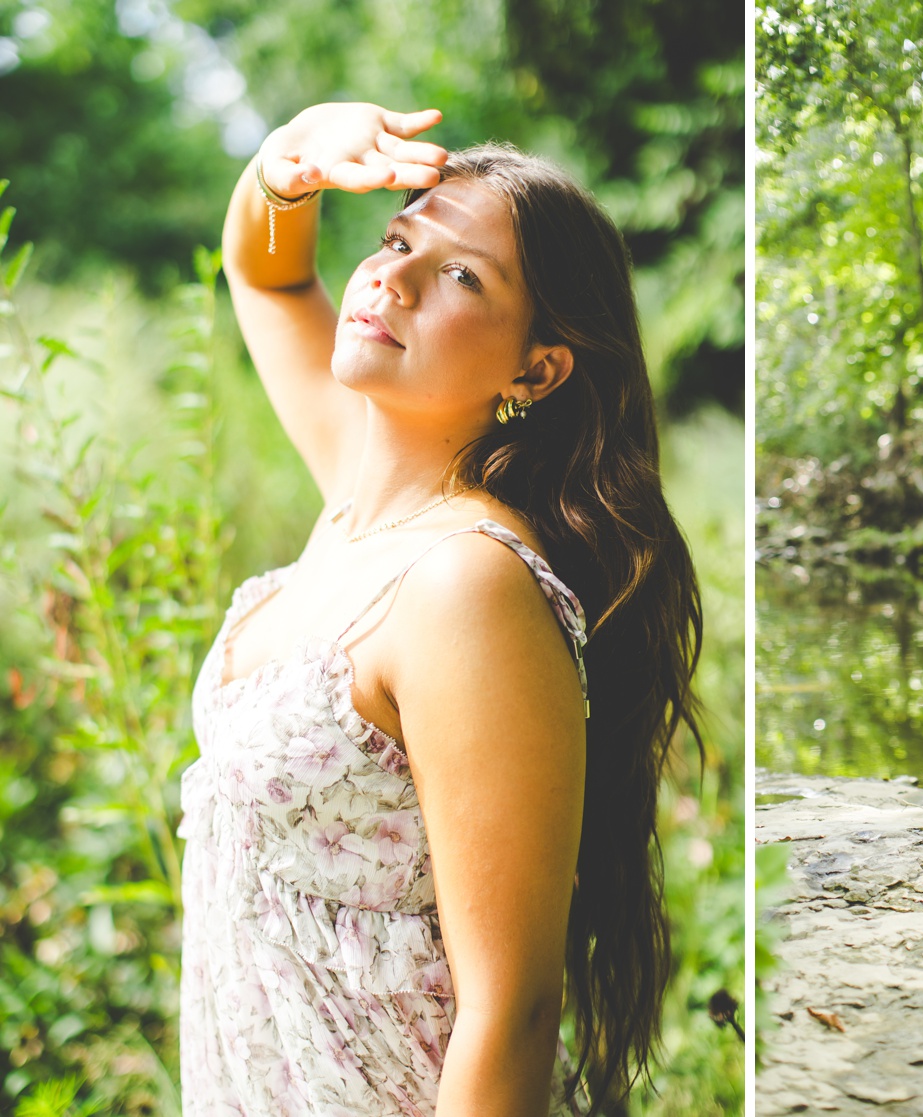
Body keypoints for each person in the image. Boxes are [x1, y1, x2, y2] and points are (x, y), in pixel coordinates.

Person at [177, 102, 701, 1116]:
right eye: (397, 239)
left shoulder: (468, 586)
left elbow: (513, 1009)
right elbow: (269, 270)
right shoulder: (359, 504)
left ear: (536, 368)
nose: (392, 277)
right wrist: (289, 165)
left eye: (462, 275)